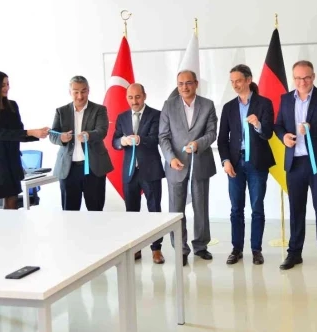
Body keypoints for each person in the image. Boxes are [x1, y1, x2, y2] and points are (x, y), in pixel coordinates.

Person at [274, 60, 317, 273]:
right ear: (293, 78)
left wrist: (312, 129)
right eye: (298, 78)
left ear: (313, 77)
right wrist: (284, 137)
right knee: (296, 210)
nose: (302, 82)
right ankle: (294, 253)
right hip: (294, 163)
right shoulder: (285, 99)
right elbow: (278, 125)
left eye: (306, 77)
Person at [159, 70, 218, 266]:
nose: (184, 87)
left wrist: (198, 144)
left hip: (200, 162)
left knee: (201, 207)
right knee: (176, 210)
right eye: (180, 83)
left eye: (188, 83)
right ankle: (180, 249)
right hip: (176, 165)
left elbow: (212, 133)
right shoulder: (168, 106)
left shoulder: (207, 105)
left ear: (196, 83)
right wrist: (171, 158)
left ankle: (201, 246)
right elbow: (163, 136)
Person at [218, 64, 275, 266]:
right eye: (232, 82)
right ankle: (237, 249)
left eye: (239, 81)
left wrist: (258, 124)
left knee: (257, 207)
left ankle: (256, 249)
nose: (235, 85)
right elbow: (222, 139)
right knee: (236, 209)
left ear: (249, 80)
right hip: (234, 163)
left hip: (257, 163)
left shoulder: (264, 103)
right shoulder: (228, 107)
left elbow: (268, 133)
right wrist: (225, 161)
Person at [0, 70, 49, 209]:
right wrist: (32, 132)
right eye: (3, 85)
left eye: (8, 84)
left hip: (11, 164)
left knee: (12, 212)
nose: (7, 88)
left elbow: (18, 133)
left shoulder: (12, 106)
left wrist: (39, 134)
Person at [113, 83, 166, 263]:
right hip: (130, 171)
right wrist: (122, 141)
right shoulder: (122, 117)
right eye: (130, 97)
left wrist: (140, 139)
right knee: (131, 211)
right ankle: (135, 248)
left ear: (144, 96)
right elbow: (114, 141)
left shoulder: (156, 115)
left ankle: (156, 249)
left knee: (154, 210)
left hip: (150, 170)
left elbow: (156, 139)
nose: (134, 101)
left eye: (137, 97)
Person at [49, 76, 113, 211]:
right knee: (69, 212)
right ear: (70, 92)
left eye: (83, 91)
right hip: (69, 169)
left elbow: (102, 131)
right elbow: (53, 135)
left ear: (88, 91)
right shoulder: (61, 111)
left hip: (93, 168)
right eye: (76, 92)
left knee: (96, 211)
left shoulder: (99, 109)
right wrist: (61, 138)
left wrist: (89, 135)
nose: (80, 96)